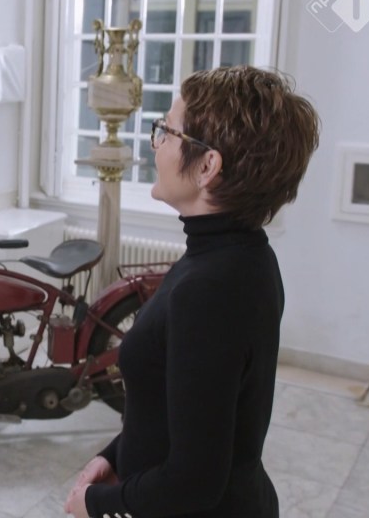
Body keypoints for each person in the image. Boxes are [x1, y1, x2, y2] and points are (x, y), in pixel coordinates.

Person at [64, 65, 320, 518]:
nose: (155, 143)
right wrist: (115, 456)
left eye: (166, 131)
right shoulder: (239, 254)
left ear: (207, 166)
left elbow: (194, 482)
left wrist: (96, 504)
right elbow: (178, 414)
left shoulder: (212, 288)